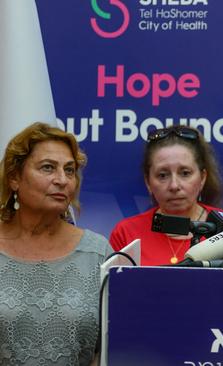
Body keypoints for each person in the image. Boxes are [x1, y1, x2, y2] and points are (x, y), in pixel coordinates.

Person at [0, 122, 112, 365]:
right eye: (48, 168)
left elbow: (112, 346)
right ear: (14, 178)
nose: (62, 180)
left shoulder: (97, 253)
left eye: (70, 170)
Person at [110, 125, 223, 266]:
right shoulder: (126, 233)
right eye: (163, 175)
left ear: (202, 178)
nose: (174, 186)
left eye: (185, 173)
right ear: (148, 182)